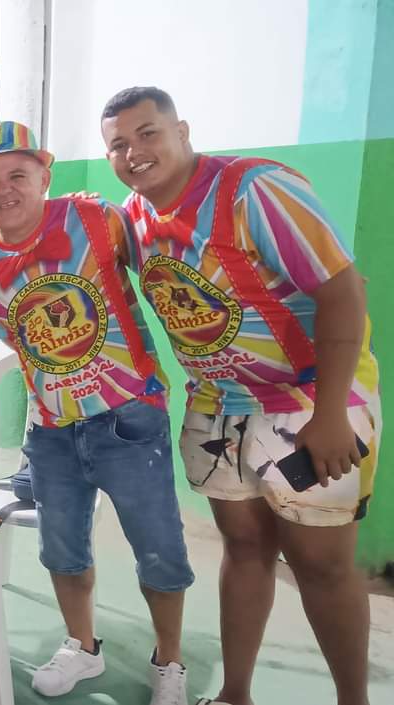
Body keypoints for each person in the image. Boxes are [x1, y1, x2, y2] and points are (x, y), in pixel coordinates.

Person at [100, 86, 382, 705]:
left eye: (147, 133)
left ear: (182, 132)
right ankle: (235, 694)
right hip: (218, 404)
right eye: (117, 144)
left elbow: (344, 291)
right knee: (246, 548)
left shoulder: (252, 191)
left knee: (320, 563)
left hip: (310, 401)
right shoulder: (134, 218)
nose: (133, 151)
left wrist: (331, 413)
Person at [0, 120, 193, 704]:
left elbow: (169, 271)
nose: (4, 189)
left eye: (18, 174)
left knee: (158, 548)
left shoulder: (96, 219)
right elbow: (13, 338)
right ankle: (82, 647)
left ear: (45, 177)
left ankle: (170, 662)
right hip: (51, 431)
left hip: (129, 419)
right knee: (62, 549)